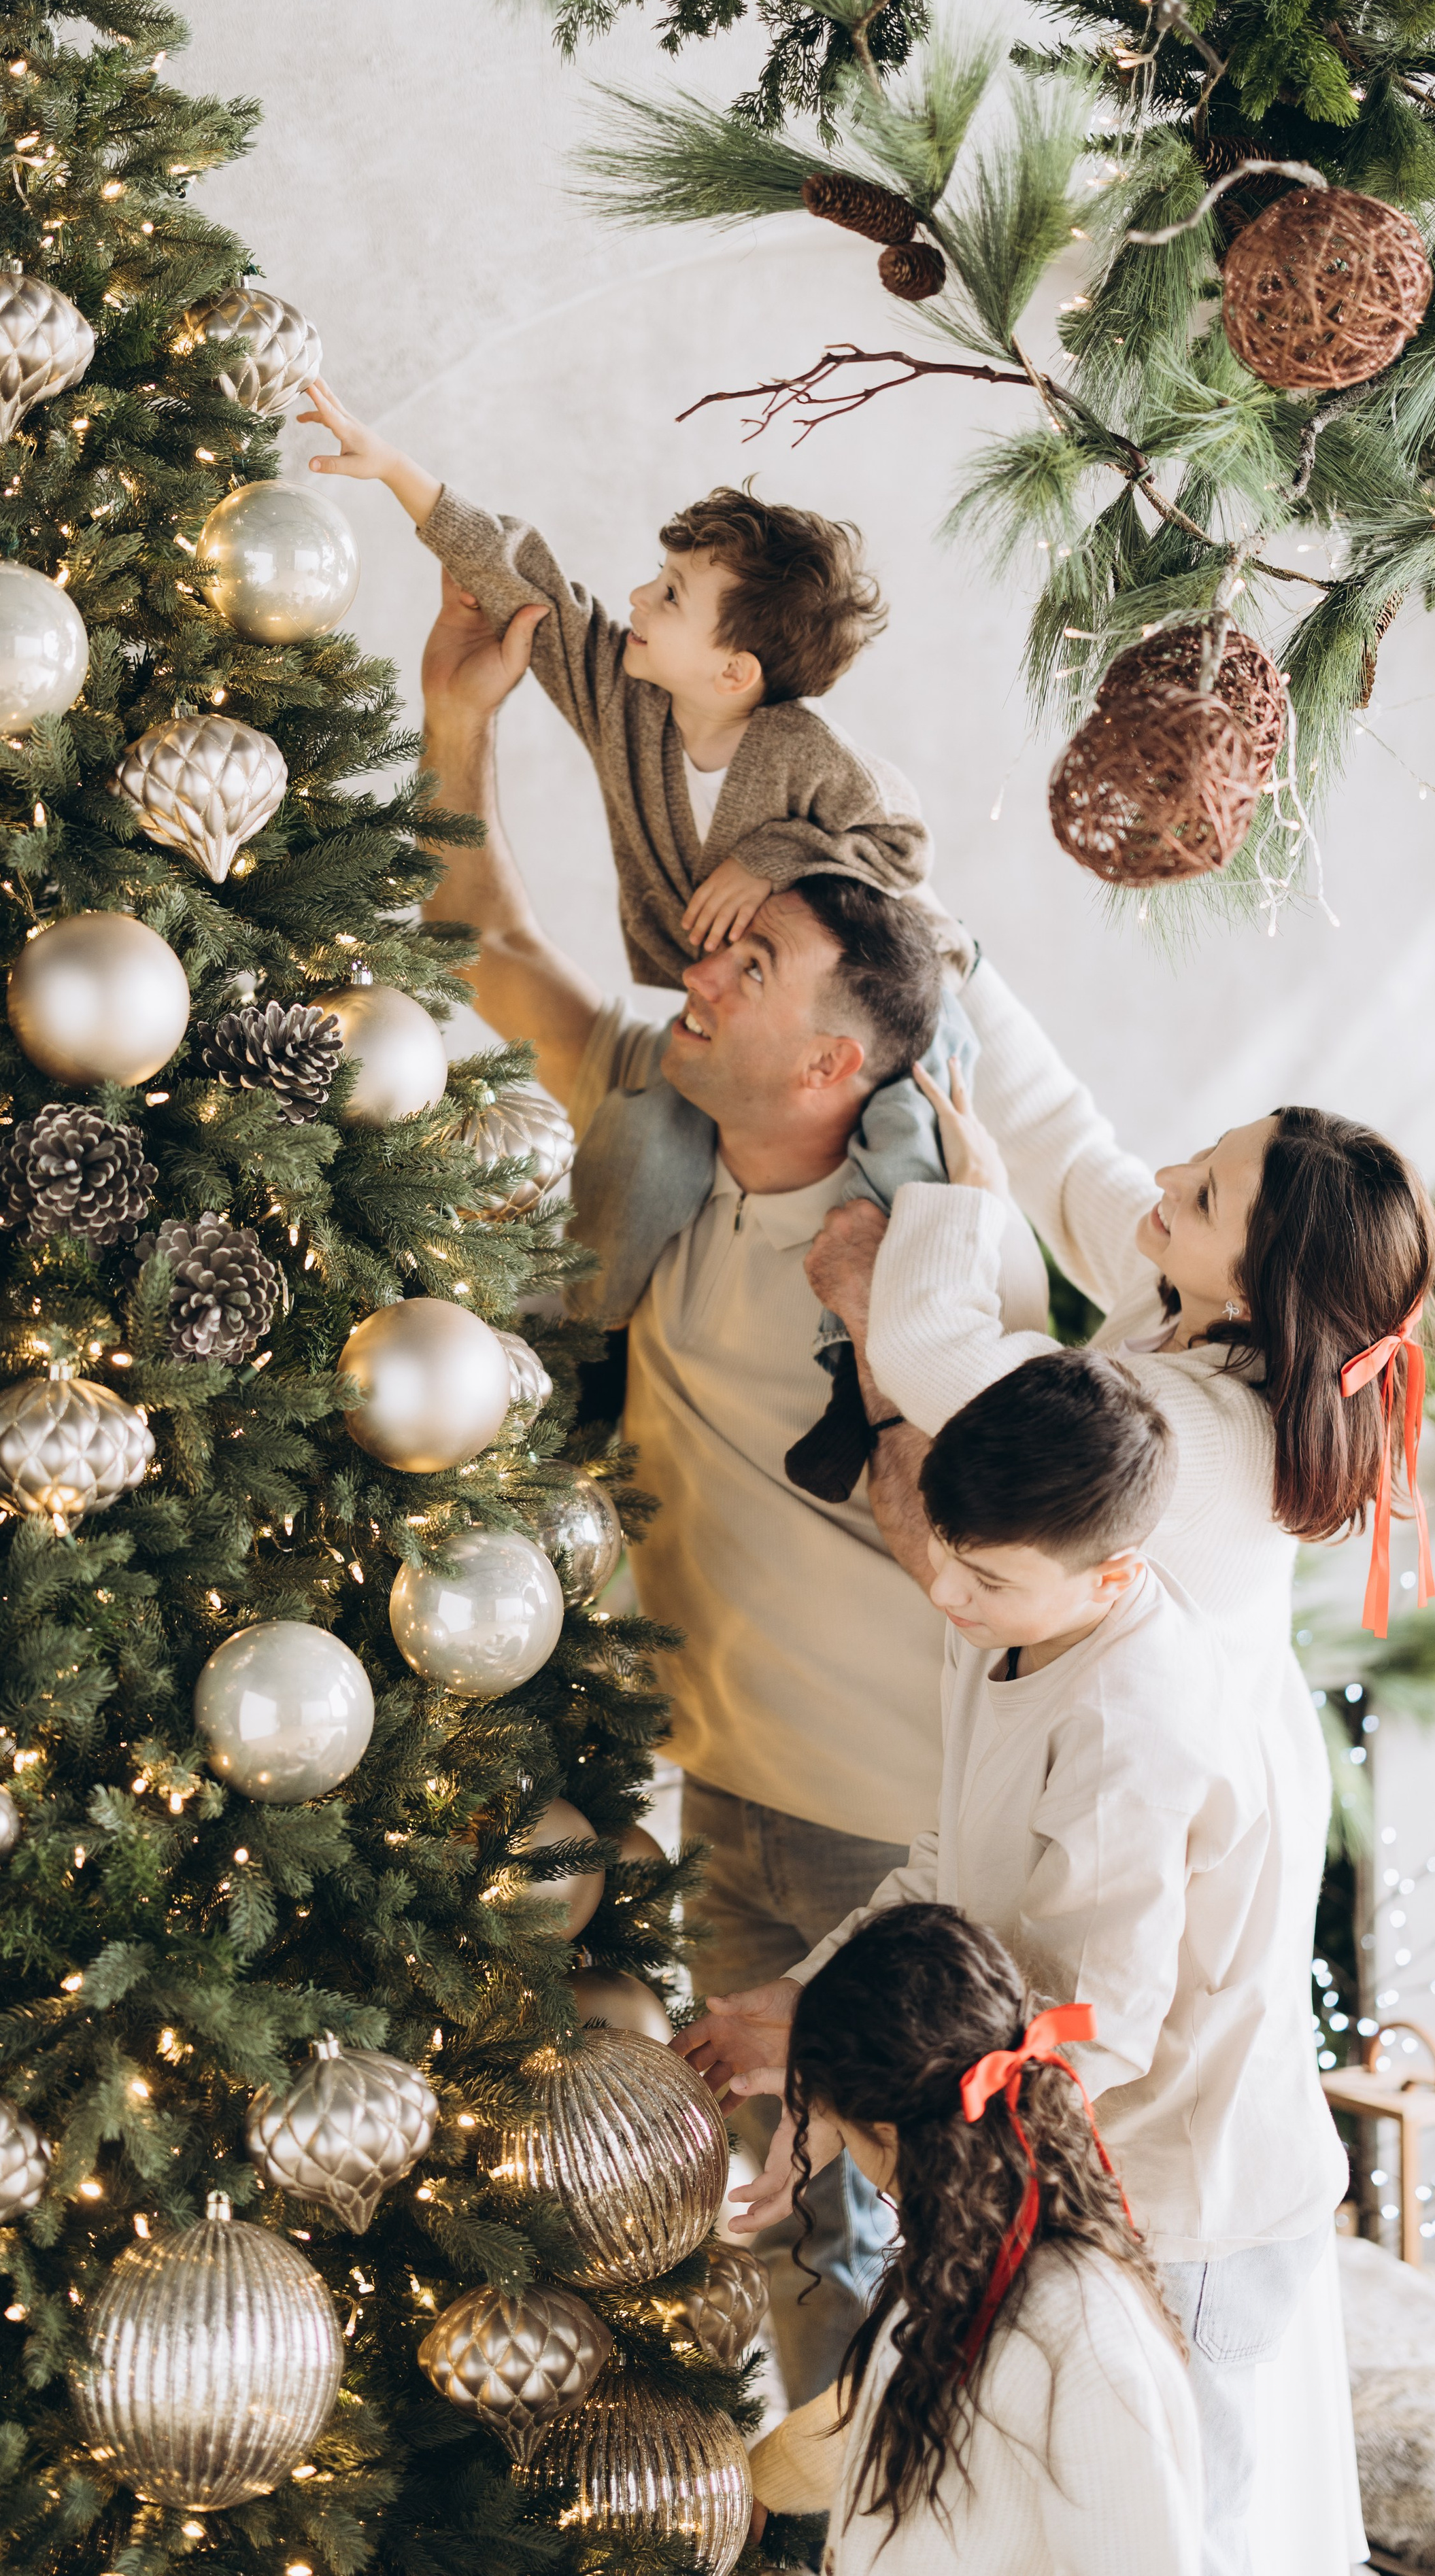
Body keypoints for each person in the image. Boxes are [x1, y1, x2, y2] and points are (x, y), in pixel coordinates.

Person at [407, 569, 1049, 2406]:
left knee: (931, 2232)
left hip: (888, 1832)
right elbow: (486, 945)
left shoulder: (933, 1255)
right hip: (721, 1787)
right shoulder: (658, 1126)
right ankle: (810, 2520)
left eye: (745, 969)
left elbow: (1037, 1556)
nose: (697, 972)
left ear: (839, 1062)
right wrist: (459, 722)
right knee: (781, 2244)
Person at [794, 978, 1435, 2574]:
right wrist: (963, 979)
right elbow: (1097, 1167)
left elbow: (945, 1345)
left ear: (1261, 1278)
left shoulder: (1177, 1431)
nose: (1168, 1180)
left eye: (1205, 1189)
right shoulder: (1186, 1342)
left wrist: (950, 1206)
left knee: (1181, 2514)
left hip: (1180, 2157)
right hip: (1142, 2081)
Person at [681, 1350, 1347, 2576]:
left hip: (1180, 2193)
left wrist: (835, 2085)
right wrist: (804, 2005)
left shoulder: (1132, 1724)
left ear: (1117, 1576)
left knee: (1191, 2533)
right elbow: (947, 1859)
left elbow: (1094, 2031)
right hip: (1059, 2157)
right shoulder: (1001, 1617)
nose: (942, 1586)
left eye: (982, 1574)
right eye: (942, 1543)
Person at [297, 382, 981, 1500]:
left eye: (668, 596)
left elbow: (902, 854)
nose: (635, 601)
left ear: (737, 673)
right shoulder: (636, 700)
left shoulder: (815, 761)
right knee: (644, 1150)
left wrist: (775, 859)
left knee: (912, 1165)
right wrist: (397, 473)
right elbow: (532, 584)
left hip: (913, 1008)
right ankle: (581, 1355)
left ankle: (859, 1388)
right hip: (742, 1060)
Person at [745, 1904, 1202, 2576]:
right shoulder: (961, 2255)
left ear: (887, 2133)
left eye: (837, 2125)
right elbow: (887, 2404)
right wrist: (754, 2483)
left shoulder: (1082, 2336)